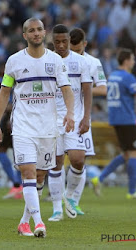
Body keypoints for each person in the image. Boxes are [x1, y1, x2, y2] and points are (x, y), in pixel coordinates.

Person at [0, 18, 74, 237]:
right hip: (22, 126)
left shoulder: (55, 61)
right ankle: (39, 223)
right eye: (31, 30)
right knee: (28, 172)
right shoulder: (14, 61)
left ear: (44, 33)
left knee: (39, 177)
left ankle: (24, 222)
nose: (36, 33)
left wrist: (71, 113)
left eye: (39, 29)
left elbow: (66, 89)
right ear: (24, 35)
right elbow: (4, 93)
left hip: (48, 127)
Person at [48, 24, 92, 222]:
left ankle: (70, 197)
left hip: (75, 117)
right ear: (53, 42)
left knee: (78, 160)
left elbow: (87, 90)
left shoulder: (81, 61)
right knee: (56, 163)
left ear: (69, 40)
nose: (61, 45)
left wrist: (86, 117)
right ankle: (57, 208)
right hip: (52, 119)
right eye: (57, 42)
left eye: (64, 41)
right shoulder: (47, 60)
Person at [69, 28, 107, 214]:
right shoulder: (61, 59)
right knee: (57, 160)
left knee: (79, 160)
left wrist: (85, 88)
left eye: (77, 50)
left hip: (83, 117)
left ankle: (74, 200)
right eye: (71, 50)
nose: (74, 54)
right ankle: (58, 199)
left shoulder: (93, 62)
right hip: (61, 116)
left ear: (84, 44)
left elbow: (103, 89)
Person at [91, 48, 136, 199]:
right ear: (126, 61)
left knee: (126, 154)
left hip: (115, 118)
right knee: (133, 154)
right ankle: (132, 191)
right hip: (127, 119)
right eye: (132, 59)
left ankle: (100, 178)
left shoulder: (113, 76)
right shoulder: (128, 77)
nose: (134, 61)